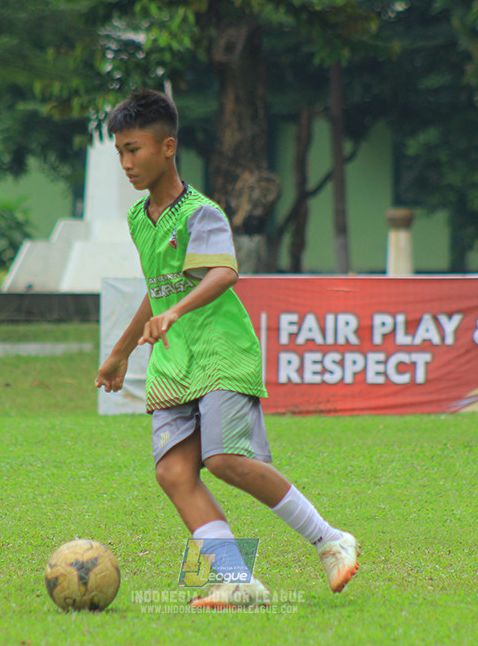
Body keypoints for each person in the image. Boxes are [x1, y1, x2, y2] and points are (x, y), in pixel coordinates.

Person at [95, 89, 360, 609]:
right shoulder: (138, 218)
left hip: (220, 351)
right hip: (173, 362)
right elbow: (159, 287)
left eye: (135, 149)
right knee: (172, 472)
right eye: (120, 152)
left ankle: (331, 539)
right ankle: (238, 580)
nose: (126, 162)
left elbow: (224, 271)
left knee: (222, 459)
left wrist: (175, 312)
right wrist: (121, 351)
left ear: (167, 147)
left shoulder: (201, 211)